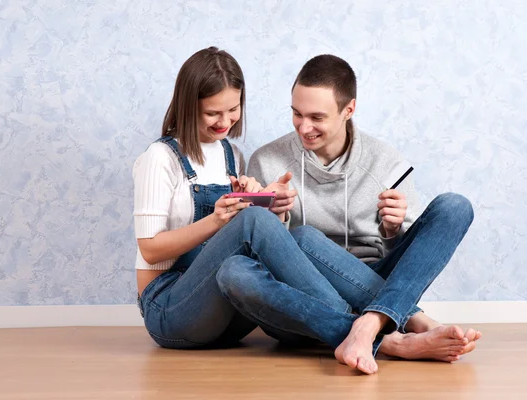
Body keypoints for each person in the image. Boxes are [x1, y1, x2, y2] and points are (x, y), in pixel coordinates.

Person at [133, 47, 394, 352]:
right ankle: (379, 330)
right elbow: (150, 250)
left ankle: (372, 322)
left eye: (233, 109)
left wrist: (272, 206)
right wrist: (219, 219)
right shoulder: (160, 158)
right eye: (213, 113)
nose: (225, 121)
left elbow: (240, 249)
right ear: (188, 106)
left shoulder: (232, 156)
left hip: (228, 315)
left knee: (298, 235)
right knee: (253, 222)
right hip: (170, 308)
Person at [232, 54, 479, 373]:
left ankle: (371, 324)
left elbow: (410, 261)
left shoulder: (386, 163)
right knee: (250, 265)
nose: (304, 127)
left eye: (317, 117)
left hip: (373, 275)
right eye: (296, 114)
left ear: (349, 109)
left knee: (455, 206)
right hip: (304, 294)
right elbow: (265, 250)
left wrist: (393, 231)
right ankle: (398, 333)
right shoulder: (266, 161)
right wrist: (277, 218)